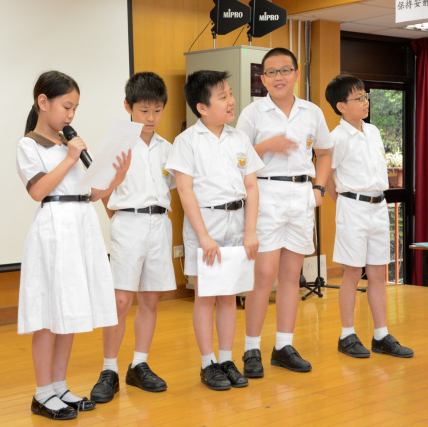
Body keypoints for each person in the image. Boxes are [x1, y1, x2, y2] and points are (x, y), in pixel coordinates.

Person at [16, 70, 131, 420]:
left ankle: (59, 386)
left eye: (75, 109)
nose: (71, 115)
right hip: (54, 229)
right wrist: (69, 157)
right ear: (43, 102)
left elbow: (90, 193)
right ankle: (42, 393)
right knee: (48, 315)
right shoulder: (29, 145)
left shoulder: (71, 145)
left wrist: (116, 178)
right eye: (66, 106)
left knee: (69, 310)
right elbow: (38, 190)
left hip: (81, 225)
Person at [236, 47, 333, 378]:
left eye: (284, 70)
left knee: (293, 275)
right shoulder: (252, 113)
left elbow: (324, 153)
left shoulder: (312, 112)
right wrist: (266, 146)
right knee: (264, 275)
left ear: (296, 74)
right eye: (271, 72)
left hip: (301, 195)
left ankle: (283, 346)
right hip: (265, 194)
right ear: (262, 79)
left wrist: (319, 188)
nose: (278, 77)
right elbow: (237, 158)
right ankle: (251, 348)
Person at [165, 70, 263, 391]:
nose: (231, 101)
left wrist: (251, 231)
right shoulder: (186, 141)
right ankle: (208, 363)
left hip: (237, 222)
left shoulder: (239, 139)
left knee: (229, 295)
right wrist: (204, 236)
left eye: (230, 94)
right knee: (206, 296)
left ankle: (226, 359)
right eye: (223, 97)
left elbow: (252, 186)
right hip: (205, 223)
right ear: (202, 107)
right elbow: (185, 191)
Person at [89, 72, 176, 403]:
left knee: (151, 298)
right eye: (143, 111)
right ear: (128, 107)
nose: (151, 118)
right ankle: (109, 369)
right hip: (128, 222)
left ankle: (139, 364)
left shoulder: (168, 148)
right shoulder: (116, 144)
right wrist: (117, 214)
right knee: (121, 301)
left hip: (160, 224)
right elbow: (98, 190)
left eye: (157, 110)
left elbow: (173, 187)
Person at [324, 74, 413, 359]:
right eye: (359, 98)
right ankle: (346, 335)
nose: (366, 102)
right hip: (353, 207)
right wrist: (344, 202)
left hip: (379, 206)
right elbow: (325, 175)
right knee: (352, 271)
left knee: (377, 272)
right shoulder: (336, 138)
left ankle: (381, 335)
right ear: (341, 106)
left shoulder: (373, 131)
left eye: (366, 96)